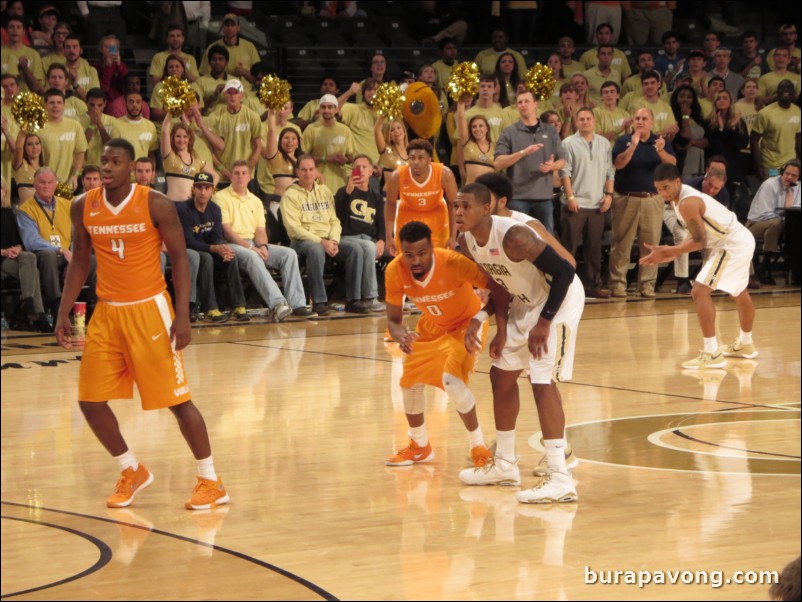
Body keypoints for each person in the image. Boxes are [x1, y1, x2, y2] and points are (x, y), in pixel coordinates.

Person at [53, 137, 228, 510]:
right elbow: (80, 260)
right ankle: (131, 470)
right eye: (104, 161)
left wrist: (183, 315)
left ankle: (211, 479)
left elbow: (180, 259)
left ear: (132, 167)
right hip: (107, 312)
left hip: (150, 310)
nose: (107, 167)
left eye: (115, 162)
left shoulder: (155, 203)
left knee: (178, 402)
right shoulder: (84, 206)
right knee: (89, 400)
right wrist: (64, 310)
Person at [456, 182, 584, 504]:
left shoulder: (515, 235)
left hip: (560, 300)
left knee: (541, 380)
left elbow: (566, 271)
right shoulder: (468, 241)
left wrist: (544, 322)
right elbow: (499, 284)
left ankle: (560, 476)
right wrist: (491, 323)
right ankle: (505, 464)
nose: (458, 212)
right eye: (456, 206)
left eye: (465, 206)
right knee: (500, 375)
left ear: (486, 209)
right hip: (527, 301)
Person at [384, 219, 494, 471]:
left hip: (468, 325)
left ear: (432, 248)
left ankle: (478, 446)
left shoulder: (453, 263)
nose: (415, 261)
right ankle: (420, 446)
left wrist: (483, 316)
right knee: (409, 384)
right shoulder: (394, 271)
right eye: (409, 254)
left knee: (451, 382)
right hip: (432, 325)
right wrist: (401, 335)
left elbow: (496, 287)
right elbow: (393, 320)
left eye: (422, 253)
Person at [643, 163, 758, 369]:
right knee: (739, 293)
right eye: (658, 188)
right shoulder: (680, 199)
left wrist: (670, 251)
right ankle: (746, 344)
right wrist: (672, 251)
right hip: (737, 239)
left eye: (666, 187)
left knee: (699, 291)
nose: (662, 193)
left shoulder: (687, 202)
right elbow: (694, 234)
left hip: (730, 244)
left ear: (678, 181)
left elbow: (699, 241)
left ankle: (712, 353)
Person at [213, 161, 315, 321]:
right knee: (253, 256)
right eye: (236, 173)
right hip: (231, 244)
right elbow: (227, 230)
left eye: (244, 173)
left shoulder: (256, 200)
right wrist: (250, 248)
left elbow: (260, 230)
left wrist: (263, 246)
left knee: (288, 254)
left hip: (253, 243)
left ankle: (297, 304)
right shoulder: (220, 197)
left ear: (250, 177)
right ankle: (278, 304)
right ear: (231, 176)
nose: (240, 176)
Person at [281, 154, 368, 315]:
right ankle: (319, 302)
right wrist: (321, 241)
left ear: (316, 171)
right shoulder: (290, 195)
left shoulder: (324, 191)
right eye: (304, 170)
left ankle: (353, 300)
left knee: (355, 249)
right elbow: (294, 229)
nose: (308, 173)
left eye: (311, 169)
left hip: (328, 239)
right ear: (297, 172)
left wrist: (334, 240)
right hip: (303, 241)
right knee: (316, 249)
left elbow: (334, 220)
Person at [609, 107, 676, 298]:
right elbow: (619, 164)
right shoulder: (623, 141)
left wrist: (661, 151)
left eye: (644, 118)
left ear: (652, 122)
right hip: (626, 198)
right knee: (621, 244)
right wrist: (633, 145)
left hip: (652, 200)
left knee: (651, 245)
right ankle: (617, 284)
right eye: (637, 118)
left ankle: (647, 285)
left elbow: (671, 164)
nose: (640, 121)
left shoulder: (660, 142)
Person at [16, 166, 97, 316]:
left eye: (50, 182)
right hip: (45, 256)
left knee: (94, 261)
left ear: (56, 184)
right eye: (42, 182)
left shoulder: (68, 204)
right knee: (48, 256)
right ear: (34, 184)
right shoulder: (25, 210)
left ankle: (99, 306)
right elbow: (31, 241)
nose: (46, 186)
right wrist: (61, 250)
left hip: (69, 255)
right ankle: (56, 304)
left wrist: (72, 257)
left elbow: (77, 234)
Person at [177, 172, 249, 323]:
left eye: (207, 188)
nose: (203, 192)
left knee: (230, 255)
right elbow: (188, 241)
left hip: (209, 247)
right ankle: (210, 308)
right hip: (191, 251)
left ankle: (238, 305)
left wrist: (222, 248)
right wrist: (215, 249)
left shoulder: (215, 209)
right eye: (199, 188)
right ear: (193, 189)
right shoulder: (184, 209)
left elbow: (216, 235)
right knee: (207, 258)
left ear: (212, 190)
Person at [559, 107, 615, 299]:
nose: (585, 122)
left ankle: (593, 285)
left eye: (588, 118)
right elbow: (564, 172)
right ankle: (563, 286)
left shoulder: (604, 143)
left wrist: (609, 195)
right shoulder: (568, 143)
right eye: (581, 119)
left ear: (594, 121)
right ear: (576, 122)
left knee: (594, 249)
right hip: (575, 203)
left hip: (598, 204)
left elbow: (610, 172)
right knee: (568, 248)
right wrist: (571, 197)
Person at [493, 89, 565, 233]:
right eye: (520, 102)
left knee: (547, 240)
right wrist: (522, 153)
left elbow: (563, 160)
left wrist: (552, 166)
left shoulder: (550, 131)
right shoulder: (509, 132)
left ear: (535, 104)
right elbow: (497, 163)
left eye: (527, 101)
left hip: (544, 197)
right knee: (519, 239)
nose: (523, 105)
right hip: (518, 197)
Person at [385, 138, 457, 257]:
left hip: (436, 217)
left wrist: (453, 236)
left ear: (429, 159)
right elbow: (390, 204)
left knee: (438, 261)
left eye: (421, 158)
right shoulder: (397, 176)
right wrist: (389, 236)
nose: (416, 162)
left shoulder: (444, 174)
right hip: (408, 217)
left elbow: (453, 203)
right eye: (412, 158)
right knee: (407, 262)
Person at [334, 154, 386, 313]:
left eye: (364, 167)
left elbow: (380, 221)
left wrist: (382, 240)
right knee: (369, 247)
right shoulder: (343, 192)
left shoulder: (376, 197)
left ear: (371, 171)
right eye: (357, 167)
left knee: (372, 246)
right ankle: (371, 298)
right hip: (347, 239)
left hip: (369, 239)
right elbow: (338, 221)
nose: (361, 170)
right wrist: (347, 194)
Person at [0, 175, 50, 332]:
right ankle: (37, 314)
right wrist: (4, 251)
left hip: (14, 259)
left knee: (28, 257)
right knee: (32, 271)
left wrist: (17, 248)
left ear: (4, 191)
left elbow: (19, 240)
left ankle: (29, 305)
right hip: (2, 259)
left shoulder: (9, 213)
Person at [745, 160, 801, 285]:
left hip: (782, 225)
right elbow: (765, 213)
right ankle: (766, 266)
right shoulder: (769, 185)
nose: (789, 177)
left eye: (794, 175)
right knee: (776, 223)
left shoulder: (798, 187)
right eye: (787, 173)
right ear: (782, 172)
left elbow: (797, 209)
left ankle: (796, 272)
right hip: (755, 224)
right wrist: (787, 220)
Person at [301, 94, 354, 195]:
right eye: (323, 107)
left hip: (340, 181)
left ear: (336, 109)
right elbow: (303, 158)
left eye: (330, 107)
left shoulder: (345, 130)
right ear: (319, 109)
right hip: (317, 181)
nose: (326, 110)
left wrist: (347, 160)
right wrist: (327, 158)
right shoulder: (311, 129)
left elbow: (350, 156)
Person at [38, 88, 88, 191]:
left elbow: (80, 153)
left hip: (69, 183)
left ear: (63, 105)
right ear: (45, 105)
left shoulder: (75, 125)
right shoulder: (38, 127)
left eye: (59, 102)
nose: (55, 105)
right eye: (52, 103)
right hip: (45, 184)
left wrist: (75, 176)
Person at [751, 80, 802, 181]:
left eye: (789, 88)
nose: (786, 90)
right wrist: (759, 165)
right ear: (777, 92)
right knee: (771, 194)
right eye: (782, 88)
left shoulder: (797, 111)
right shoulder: (765, 113)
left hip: (790, 164)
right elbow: (754, 139)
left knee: (789, 193)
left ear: (794, 93)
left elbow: (798, 138)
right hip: (770, 165)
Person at [198, 13, 260, 84]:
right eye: (227, 25)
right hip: (220, 90)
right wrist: (230, 73)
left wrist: (244, 72)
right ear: (222, 27)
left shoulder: (249, 46)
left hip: (246, 90)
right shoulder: (212, 48)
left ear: (238, 28)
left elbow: (259, 78)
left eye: (232, 25)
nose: (229, 28)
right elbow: (204, 76)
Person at [160, 117, 210, 202]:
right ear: (173, 138)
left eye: (185, 136)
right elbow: (165, 130)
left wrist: (208, 191)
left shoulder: (196, 158)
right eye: (178, 136)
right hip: (173, 205)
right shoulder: (169, 154)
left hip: (191, 207)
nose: (182, 140)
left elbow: (215, 176)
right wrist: (170, 113)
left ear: (189, 139)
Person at [456, 97, 494, 184]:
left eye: (481, 126)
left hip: (488, 192)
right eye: (474, 126)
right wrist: (461, 99)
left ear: (487, 128)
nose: (477, 129)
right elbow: (461, 117)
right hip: (471, 191)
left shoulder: (495, 146)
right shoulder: (468, 144)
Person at [12, 131, 43, 203]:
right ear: (24, 147)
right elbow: (18, 148)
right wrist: (25, 125)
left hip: (43, 212)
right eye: (29, 144)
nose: (34, 147)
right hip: (26, 212)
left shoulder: (44, 168)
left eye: (37, 143)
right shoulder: (20, 165)